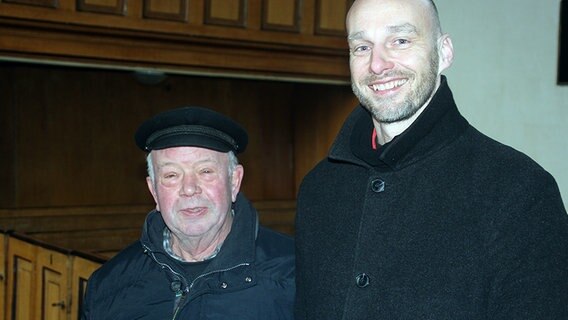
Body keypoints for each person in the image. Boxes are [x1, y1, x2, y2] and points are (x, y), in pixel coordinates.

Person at [294, 0, 568, 319]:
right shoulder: (318, 188)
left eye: (400, 40)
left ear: (444, 52)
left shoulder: (520, 190)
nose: (378, 64)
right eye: (362, 46)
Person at [81, 106, 295, 319]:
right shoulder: (107, 286)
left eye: (205, 171)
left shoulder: (297, 275)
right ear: (154, 190)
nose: (189, 188)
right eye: (172, 175)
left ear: (234, 181)